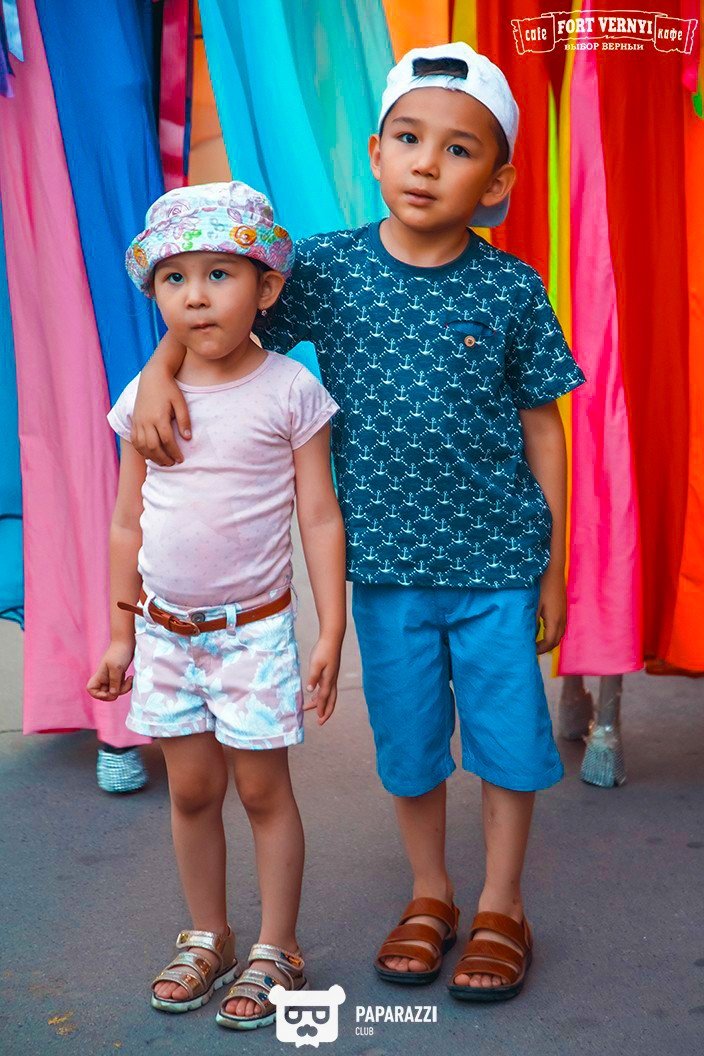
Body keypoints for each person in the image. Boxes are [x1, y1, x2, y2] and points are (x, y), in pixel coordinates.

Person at [129, 43, 587, 1002]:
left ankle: (502, 905)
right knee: (411, 745)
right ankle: (431, 892)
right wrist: (163, 368)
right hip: (384, 569)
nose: (427, 164)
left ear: (496, 183)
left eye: (458, 150)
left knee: (508, 741)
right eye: (409, 140)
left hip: (498, 563)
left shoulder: (511, 289)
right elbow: (220, 314)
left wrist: (552, 563)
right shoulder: (330, 269)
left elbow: (544, 425)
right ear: (376, 153)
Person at [86, 181, 346, 1028]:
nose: (195, 296)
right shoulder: (145, 400)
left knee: (264, 793)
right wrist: (119, 632)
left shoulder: (289, 391)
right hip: (165, 635)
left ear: (266, 288)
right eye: (175, 278)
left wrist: (330, 627)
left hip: (253, 635)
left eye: (219, 275)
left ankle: (278, 946)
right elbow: (127, 521)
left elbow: (319, 515)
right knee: (192, 791)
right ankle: (208, 934)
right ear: (155, 292)